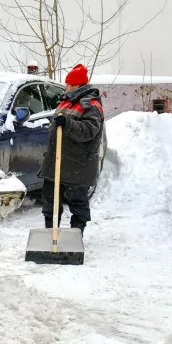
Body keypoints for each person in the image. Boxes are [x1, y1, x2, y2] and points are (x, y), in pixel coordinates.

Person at [38, 63, 104, 231]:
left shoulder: (91, 105)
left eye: (67, 83)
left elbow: (89, 131)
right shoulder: (67, 101)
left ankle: (75, 238)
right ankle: (51, 235)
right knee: (50, 201)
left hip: (78, 164)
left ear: (76, 85)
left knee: (78, 203)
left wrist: (68, 123)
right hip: (57, 161)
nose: (65, 86)